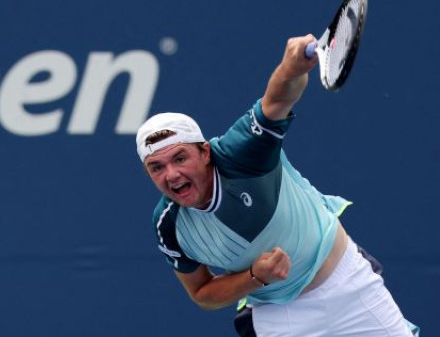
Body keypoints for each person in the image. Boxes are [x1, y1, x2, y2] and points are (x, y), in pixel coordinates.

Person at [137, 35, 419, 336]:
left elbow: (278, 99)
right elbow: (202, 294)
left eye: (180, 158)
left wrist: (292, 68)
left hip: (348, 286)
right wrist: (255, 277)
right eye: (157, 167)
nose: (172, 174)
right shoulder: (168, 225)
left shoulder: (241, 153)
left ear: (205, 152)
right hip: (279, 317)